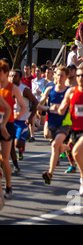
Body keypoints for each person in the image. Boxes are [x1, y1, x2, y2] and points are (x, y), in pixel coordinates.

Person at [58, 67, 83, 204]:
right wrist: (60, 109)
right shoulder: (70, 91)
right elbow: (63, 106)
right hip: (74, 129)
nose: (80, 78)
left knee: (75, 152)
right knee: (79, 157)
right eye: (79, 75)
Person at [40, 66, 72, 185]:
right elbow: (39, 105)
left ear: (66, 77)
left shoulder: (69, 91)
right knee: (59, 147)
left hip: (65, 123)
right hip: (52, 122)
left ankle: (50, 173)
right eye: (57, 75)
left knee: (54, 145)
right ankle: (68, 147)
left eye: (62, 75)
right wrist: (49, 108)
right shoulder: (49, 90)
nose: (59, 77)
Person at [0, 61, 26, 200]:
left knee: (5, 159)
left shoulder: (13, 89)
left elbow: (23, 106)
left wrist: (19, 114)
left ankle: (8, 185)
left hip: (8, 124)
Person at [9, 70, 38, 165]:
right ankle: (16, 165)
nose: (13, 78)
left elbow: (35, 102)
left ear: (20, 78)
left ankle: (22, 144)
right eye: (11, 76)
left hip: (22, 120)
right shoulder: (6, 88)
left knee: (18, 144)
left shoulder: (24, 90)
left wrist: (30, 117)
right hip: (10, 120)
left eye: (15, 76)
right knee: (10, 144)